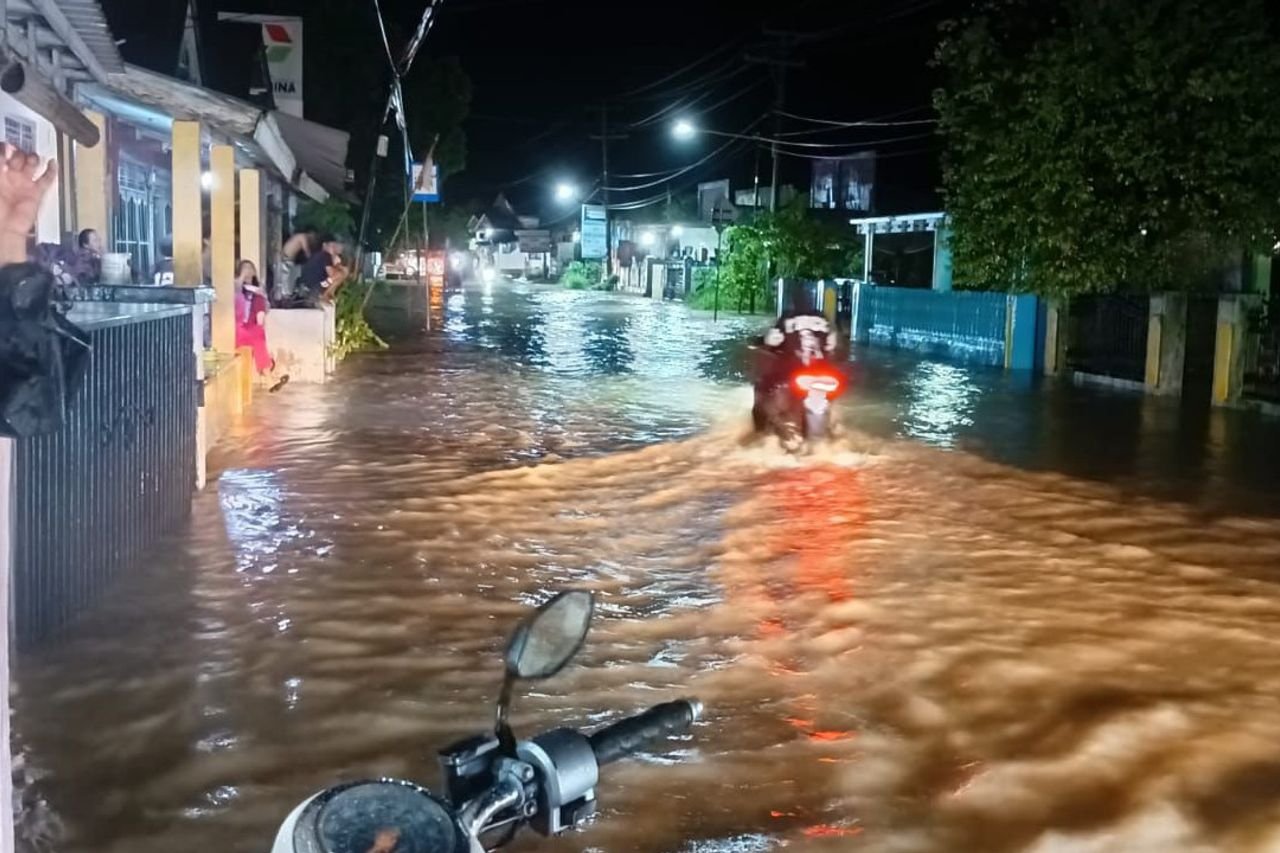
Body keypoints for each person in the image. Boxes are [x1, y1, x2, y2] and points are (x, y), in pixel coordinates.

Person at [752, 286, 838, 433]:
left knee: (761, 388)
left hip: (793, 373)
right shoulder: (822, 317)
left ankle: (760, 431)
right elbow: (834, 344)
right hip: (821, 374)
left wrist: (764, 341)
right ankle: (828, 427)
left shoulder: (787, 317)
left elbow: (772, 341)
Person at [234, 259, 288, 392]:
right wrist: (241, 279)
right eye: (244, 268)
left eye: (250, 268)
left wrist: (260, 296)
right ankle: (269, 372)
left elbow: (261, 316)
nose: (247, 271)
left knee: (258, 334)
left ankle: (269, 376)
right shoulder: (234, 288)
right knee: (257, 336)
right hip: (235, 328)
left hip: (250, 331)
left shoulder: (258, 294)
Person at [295, 232, 349, 305]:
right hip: (314, 287)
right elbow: (332, 274)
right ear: (324, 245)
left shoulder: (319, 255)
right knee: (340, 274)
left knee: (340, 274)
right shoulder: (325, 255)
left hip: (308, 285)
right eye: (332, 246)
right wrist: (339, 266)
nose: (333, 248)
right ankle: (325, 295)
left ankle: (328, 295)